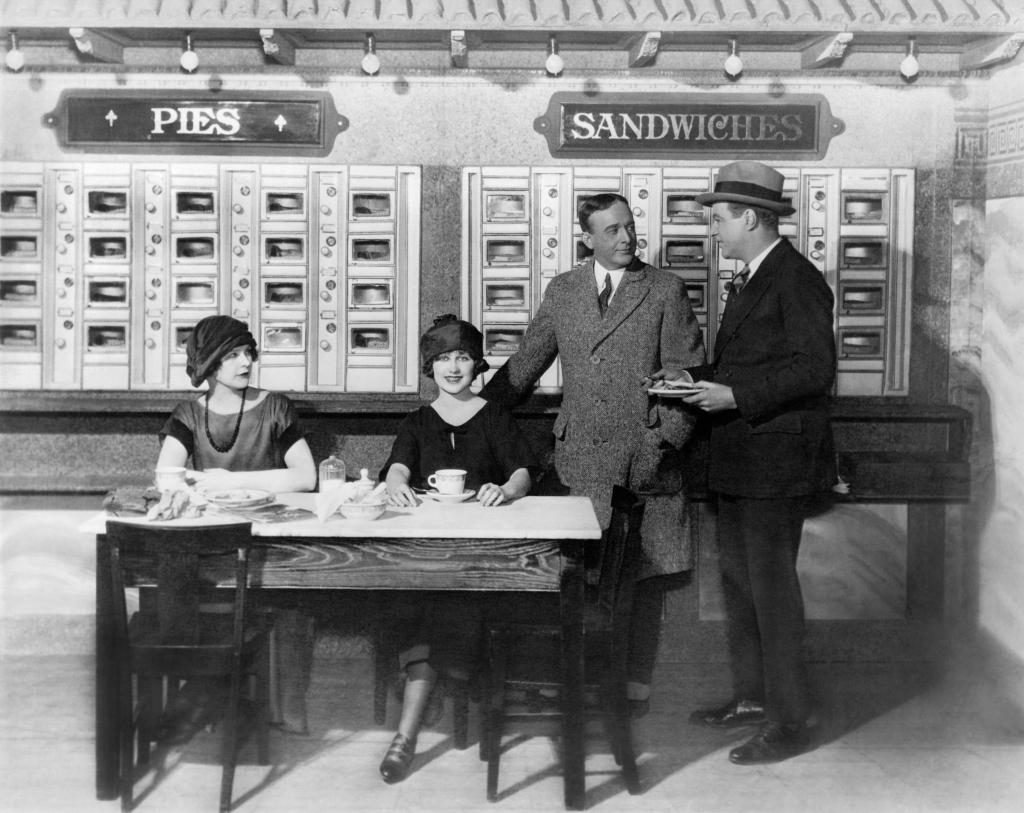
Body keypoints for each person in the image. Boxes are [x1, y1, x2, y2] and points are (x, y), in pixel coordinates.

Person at [481, 192, 706, 713]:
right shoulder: (563, 291)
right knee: (581, 579)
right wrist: (475, 414)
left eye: (629, 227)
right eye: (612, 231)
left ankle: (632, 691)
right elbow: (525, 364)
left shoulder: (665, 289)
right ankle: (582, 686)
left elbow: (686, 376)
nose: (627, 238)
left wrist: (662, 441)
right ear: (587, 238)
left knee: (640, 579)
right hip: (578, 461)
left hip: (642, 459)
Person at [673, 161, 837, 764]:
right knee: (742, 589)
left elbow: (814, 370)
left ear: (750, 217)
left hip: (774, 464)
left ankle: (790, 722)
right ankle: (750, 698)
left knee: (771, 593)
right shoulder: (755, 276)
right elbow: (756, 363)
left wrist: (735, 396)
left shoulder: (795, 279)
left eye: (718, 219)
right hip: (744, 460)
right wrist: (690, 380)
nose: (713, 230)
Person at [377, 314, 538, 783]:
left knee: (450, 604)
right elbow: (397, 468)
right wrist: (395, 484)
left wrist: (506, 491)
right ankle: (410, 730)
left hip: (482, 557)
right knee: (413, 600)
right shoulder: (418, 420)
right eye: (443, 358)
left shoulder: (494, 417)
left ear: (477, 364)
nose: (453, 367)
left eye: (462, 357)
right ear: (430, 365)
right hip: (424, 551)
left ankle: (406, 734)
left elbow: (522, 472)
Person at [154, 315, 317, 742]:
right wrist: (179, 488)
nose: (245, 362)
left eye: (248, 352)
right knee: (174, 577)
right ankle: (208, 686)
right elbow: (166, 473)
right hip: (214, 542)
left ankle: (208, 693)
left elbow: (305, 477)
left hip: (271, 538)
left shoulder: (274, 406)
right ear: (208, 364)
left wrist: (233, 482)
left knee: (285, 606)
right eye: (232, 355)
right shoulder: (189, 412)